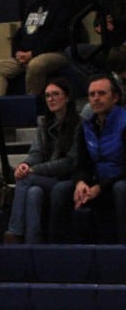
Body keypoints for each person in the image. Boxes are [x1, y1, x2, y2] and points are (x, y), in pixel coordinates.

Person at [49, 74, 126, 243]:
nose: (96, 99)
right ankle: (56, 252)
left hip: (118, 180)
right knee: (60, 190)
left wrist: (100, 187)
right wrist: (81, 182)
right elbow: (82, 164)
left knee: (121, 189)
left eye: (101, 94)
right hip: (96, 181)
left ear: (115, 98)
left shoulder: (124, 121)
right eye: (92, 94)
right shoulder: (87, 126)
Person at [3, 78, 79, 244]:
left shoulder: (78, 124)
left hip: (67, 179)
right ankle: (32, 246)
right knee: (33, 193)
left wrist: (34, 170)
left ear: (66, 97)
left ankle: (14, 231)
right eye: (47, 96)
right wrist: (26, 164)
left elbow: (69, 163)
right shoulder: (44, 123)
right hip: (46, 178)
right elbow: (36, 152)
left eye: (55, 94)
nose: (50, 99)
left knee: (25, 178)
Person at [0, 0, 73, 96]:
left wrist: (33, 53)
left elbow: (58, 35)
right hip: (27, 56)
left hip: (55, 54)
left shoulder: (63, 3)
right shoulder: (32, 7)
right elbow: (20, 34)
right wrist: (18, 53)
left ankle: (32, 105)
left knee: (36, 65)